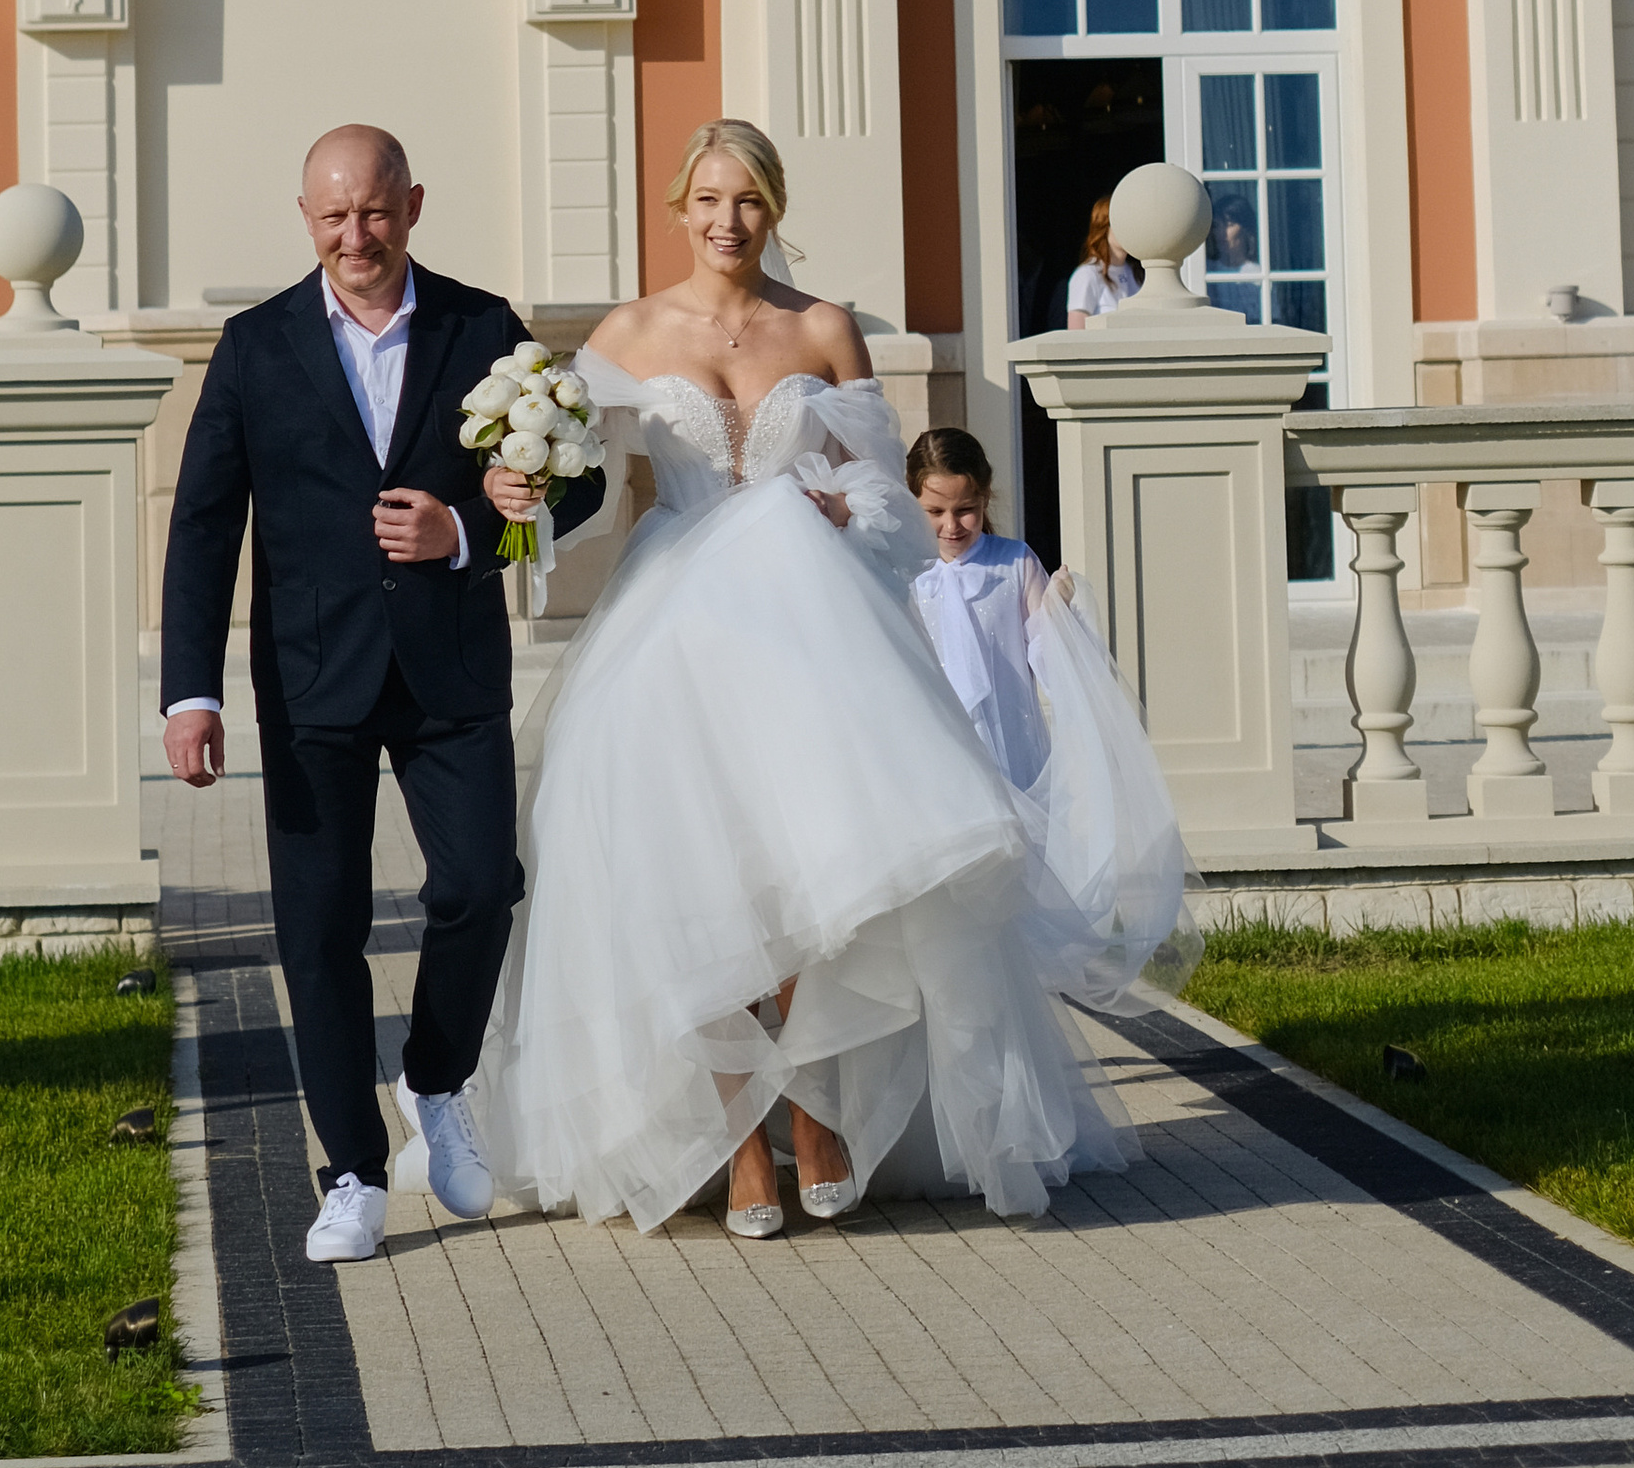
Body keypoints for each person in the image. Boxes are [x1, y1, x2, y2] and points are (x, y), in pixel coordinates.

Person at [475, 123, 1189, 1238]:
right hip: (671, 629)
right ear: (678, 206)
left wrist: (839, 510)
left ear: (774, 208)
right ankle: (739, 1144)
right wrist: (517, 498)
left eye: (749, 199)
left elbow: (894, 509)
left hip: (805, 627)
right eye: (708, 197)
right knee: (689, 871)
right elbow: (587, 491)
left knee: (816, 868)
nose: (727, 220)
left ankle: (812, 1109)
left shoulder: (821, 328)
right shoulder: (626, 332)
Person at [159, 122, 604, 1267]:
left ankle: (437, 1078)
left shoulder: (482, 326)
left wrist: (471, 531)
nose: (355, 236)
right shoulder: (254, 347)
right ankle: (352, 1172)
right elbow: (206, 524)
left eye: (374, 212)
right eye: (332, 218)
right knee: (319, 930)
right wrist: (186, 694)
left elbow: (581, 480)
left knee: (478, 887)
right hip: (309, 679)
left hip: (450, 666)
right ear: (305, 220)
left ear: (413, 204)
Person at [906, 426, 1197, 999]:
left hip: (1008, 752)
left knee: (1008, 887)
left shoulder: (1013, 563)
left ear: (986, 499)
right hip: (935, 752)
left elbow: (1046, 649)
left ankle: (1006, 997)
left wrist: (1059, 616)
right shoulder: (908, 572)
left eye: (965, 510)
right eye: (935, 511)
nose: (951, 526)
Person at [1065, 195, 1142, 322]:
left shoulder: (1137, 273)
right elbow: (1077, 333)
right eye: (1120, 224)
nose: (1129, 230)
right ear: (1104, 227)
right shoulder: (1087, 274)